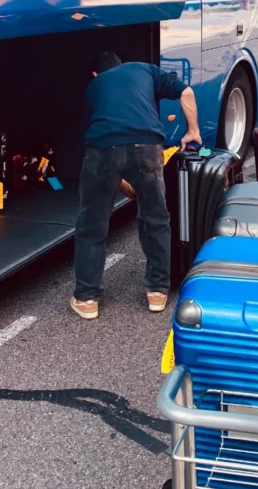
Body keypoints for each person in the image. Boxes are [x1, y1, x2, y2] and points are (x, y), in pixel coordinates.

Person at [70, 52, 202, 320]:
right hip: (147, 145)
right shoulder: (144, 70)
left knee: (92, 224)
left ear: (96, 74)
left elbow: (100, 142)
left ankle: (86, 299)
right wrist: (193, 130)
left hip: (103, 150)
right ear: (122, 65)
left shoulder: (93, 87)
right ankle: (157, 292)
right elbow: (186, 92)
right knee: (156, 218)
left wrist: (119, 180)